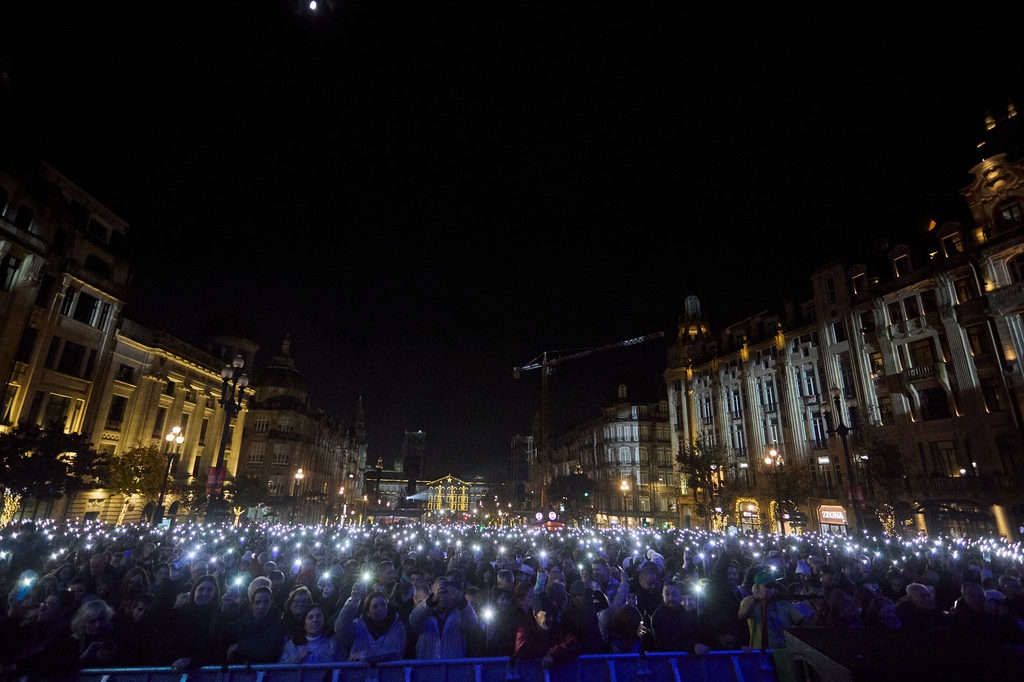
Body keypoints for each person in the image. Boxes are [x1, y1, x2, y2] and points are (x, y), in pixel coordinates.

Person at [738, 571, 803, 682]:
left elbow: (803, 623)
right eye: (768, 587)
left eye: (775, 586)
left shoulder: (784, 604)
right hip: (762, 658)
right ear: (757, 588)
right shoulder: (750, 602)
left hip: (784, 658)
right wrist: (756, 598)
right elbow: (742, 615)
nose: (773, 590)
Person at [408, 576, 478, 659]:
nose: (443, 593)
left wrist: (461, 602)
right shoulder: (425, 613)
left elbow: (472, 624)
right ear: (431, 591)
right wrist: (431, 601)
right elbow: (413, 621)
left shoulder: (459, 613)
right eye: (439, 589)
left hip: (453, 667)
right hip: (426, 668)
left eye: (446, 589)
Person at [336, 590, 406, 662]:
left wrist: (364, 655)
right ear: (368, 613)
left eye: (383, 604)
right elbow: (341, 629)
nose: (380, 609)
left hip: (387, 672)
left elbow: (394, 650)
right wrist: (353, 602)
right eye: (375, 606)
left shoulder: (397, 626)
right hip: (360, 672)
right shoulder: (359, 626)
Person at [515, 595, 581, 667]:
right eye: (546, 615)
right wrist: (549, 650)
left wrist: (553, 653)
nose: (551, 619)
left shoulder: (556, 626)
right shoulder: (525, 627)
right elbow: (521, 649)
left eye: (552, 615)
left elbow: (573, 643)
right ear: (535, 615)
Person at [226, 585, 286, 664]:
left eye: (266, 602)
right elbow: (220, 635)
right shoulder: (242, 623)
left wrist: (239, 646)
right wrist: (223, 610)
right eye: (258, 602)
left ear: (271, 603)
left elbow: (269, 651)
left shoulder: (278, 625)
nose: (262, 606)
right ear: (252, 605)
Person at [651, 581, 710, 655]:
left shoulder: (684, 611)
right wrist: (692, 647)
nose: (671, 598)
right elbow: (667, 643)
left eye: (675, 594)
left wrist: (701, 616)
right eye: (667, 594)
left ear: (680, 596)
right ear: (662, 596)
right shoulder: (658, 616)